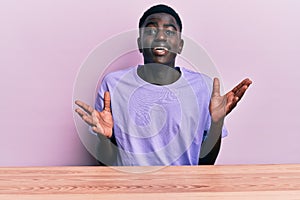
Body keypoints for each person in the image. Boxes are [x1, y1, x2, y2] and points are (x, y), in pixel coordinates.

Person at [75, 4, 252, 166]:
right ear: (139, 44)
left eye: (169, 32)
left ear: (180, 45)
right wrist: (104, 138)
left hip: (185, 191)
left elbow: (205, 165)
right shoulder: (113, 85)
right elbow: (106, 165)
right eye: (151, 31)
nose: (160, 37)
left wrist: (216, 124)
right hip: (131, 191)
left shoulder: (203, 87)